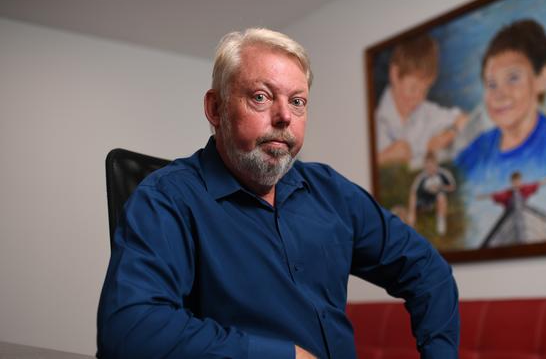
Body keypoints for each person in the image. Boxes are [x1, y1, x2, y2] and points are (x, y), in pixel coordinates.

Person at [97, 28, 459, 359]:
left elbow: (429, 271)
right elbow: (130, 330)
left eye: (298, 101)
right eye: (260, 96)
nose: (284, 116)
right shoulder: (166, 197)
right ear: (216, 109)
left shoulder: (330, 192)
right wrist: (284, 357)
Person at [454, 19, 546, 240]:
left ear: (542, 77)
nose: (500, 94)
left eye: (513, 78)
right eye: (491, 84)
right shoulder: (469, 161)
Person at [375, 34, 468, 169]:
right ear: (395, 74)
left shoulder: (427, 111)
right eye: (413, 88)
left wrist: (450, 133)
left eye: (424, 90)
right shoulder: (375, 123)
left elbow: (464, 119)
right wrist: (382, 159)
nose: (418, 98)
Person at [476, 172, 546, 248]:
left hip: (520, 207)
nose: (516, 183)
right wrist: (480, 197)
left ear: (520, 181)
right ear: (512, 182)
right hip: (511, 210)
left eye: (518, 181)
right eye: (514, 182)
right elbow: (493, 195)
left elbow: (540, 183)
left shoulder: (524, 188)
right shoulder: (508, 193)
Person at [407, 151, 456, 235]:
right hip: (424, 202)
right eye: (427, 166)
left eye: (431, 165)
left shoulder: (443, 173)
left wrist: (440, 187)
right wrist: (411, 212)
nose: (429, 168)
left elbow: (452, 187)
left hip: (438, 198)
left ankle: (441, 221)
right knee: (410, 214)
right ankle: (412, 229)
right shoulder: (421, 177)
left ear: (436, 164)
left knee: (441, 196)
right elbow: (413, 193)